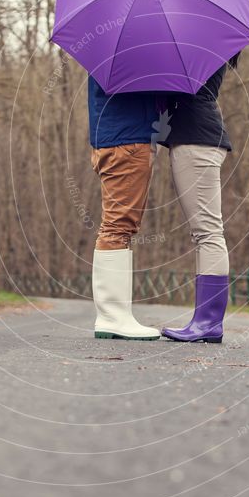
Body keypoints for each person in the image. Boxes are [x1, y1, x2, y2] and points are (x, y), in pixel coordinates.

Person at [160, 54, 239, 344]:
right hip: (197, 139)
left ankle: (208, 322)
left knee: (207, 233)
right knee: (205, 233)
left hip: (197, 141)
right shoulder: (199, 50)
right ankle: (205, 321)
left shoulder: (196, 53)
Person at [88, 75, 161, 340]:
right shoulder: (132, 52)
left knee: (119, 226)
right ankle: (112, 317)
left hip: (117, 136)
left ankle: (115, 315)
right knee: (118, 226)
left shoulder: (112, 51)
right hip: (126, 139)